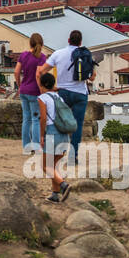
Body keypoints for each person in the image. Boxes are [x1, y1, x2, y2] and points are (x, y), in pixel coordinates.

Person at [47, 30, 94, 163]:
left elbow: (43, 70)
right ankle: (73, 157)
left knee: (60, 123)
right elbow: (92, 76)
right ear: (80, 42)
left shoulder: (58, 54)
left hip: (62, 93)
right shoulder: (84, 54)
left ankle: (58, 154)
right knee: (77, 125)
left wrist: (50, 87)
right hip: (80, 93)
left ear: (68, 40)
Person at [37, 71, 72, 203]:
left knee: (45, 166)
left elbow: (43, 118)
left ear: (43, 85)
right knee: (53, 166)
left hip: (52, 133)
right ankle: (55, 194)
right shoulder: (59, 98)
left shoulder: (42, 98)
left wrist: (41, 135)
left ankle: (63, 185)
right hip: (63, 134)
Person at [13, 33, 48, 154]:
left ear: (30, 43)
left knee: (26, 119)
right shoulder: (42, 57)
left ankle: (26, 148)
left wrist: (19, 85)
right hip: (35, 92)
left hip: (24, 90)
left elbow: (16, 72)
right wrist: (42, 91)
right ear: (42, 44)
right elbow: (39, 74)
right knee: (36, 120)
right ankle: (37, 146)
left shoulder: (23, 55)